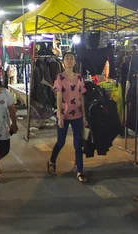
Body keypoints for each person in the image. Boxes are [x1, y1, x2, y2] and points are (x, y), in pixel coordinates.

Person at [47, 52, 88, 184]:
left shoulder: (79, 78)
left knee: (78, 143)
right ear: (63, 62)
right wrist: (59, 115)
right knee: (61, 142)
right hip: (64, 114)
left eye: (71, 58)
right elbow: (58, 97)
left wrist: (84, 115)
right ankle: (52, 160)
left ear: (75, 62)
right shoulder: (60, 77)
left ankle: (80, 171)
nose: (69, 60)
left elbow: (82, 96)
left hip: (77, 114)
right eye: (67, 58)